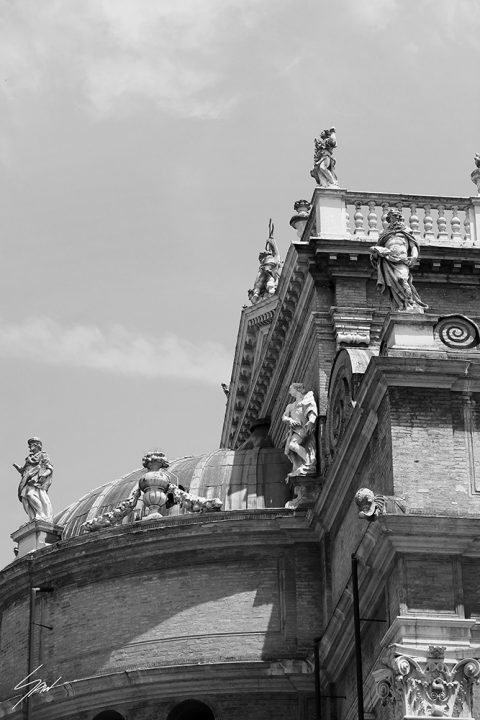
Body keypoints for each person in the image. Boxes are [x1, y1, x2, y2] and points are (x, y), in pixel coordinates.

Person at [370, 210, 428, 312]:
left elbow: (413, 245)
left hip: (402, 260)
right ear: (389, 219)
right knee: (394, 283)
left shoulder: (406, 230)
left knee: (402, 279)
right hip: (388, 259)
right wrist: (375, 251)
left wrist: (414, 256)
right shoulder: (384, 233)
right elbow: (378, 249)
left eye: (396, 216)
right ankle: (401, 304)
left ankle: (410, 303)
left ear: (399, 218)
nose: (394, 218)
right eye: (392, 217)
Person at [13, 437, 54, 523]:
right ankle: (32, 518)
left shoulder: (43, 455)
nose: (29, 447)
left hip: (36, 480)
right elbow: (24, 470)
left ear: (37, 445)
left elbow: (49, 468)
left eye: (31, 445)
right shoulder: (29, 458)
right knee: (25, 499)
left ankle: (41, 515)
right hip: (27, 480)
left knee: (30, 494)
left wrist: (43, 475)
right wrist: (17, 467)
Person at [282, 383, 318, 477]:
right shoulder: (290, 406)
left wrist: (311, 421)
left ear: (297, 389)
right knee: (291, 447)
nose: (289, 392)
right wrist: (290, 420)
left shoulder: (306, 399)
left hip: (303, 427)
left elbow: (312, 409)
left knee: (292, 445)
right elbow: (284, 417)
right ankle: (306, 462)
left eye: (291, 389)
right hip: (295, 429)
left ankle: (309, 461)